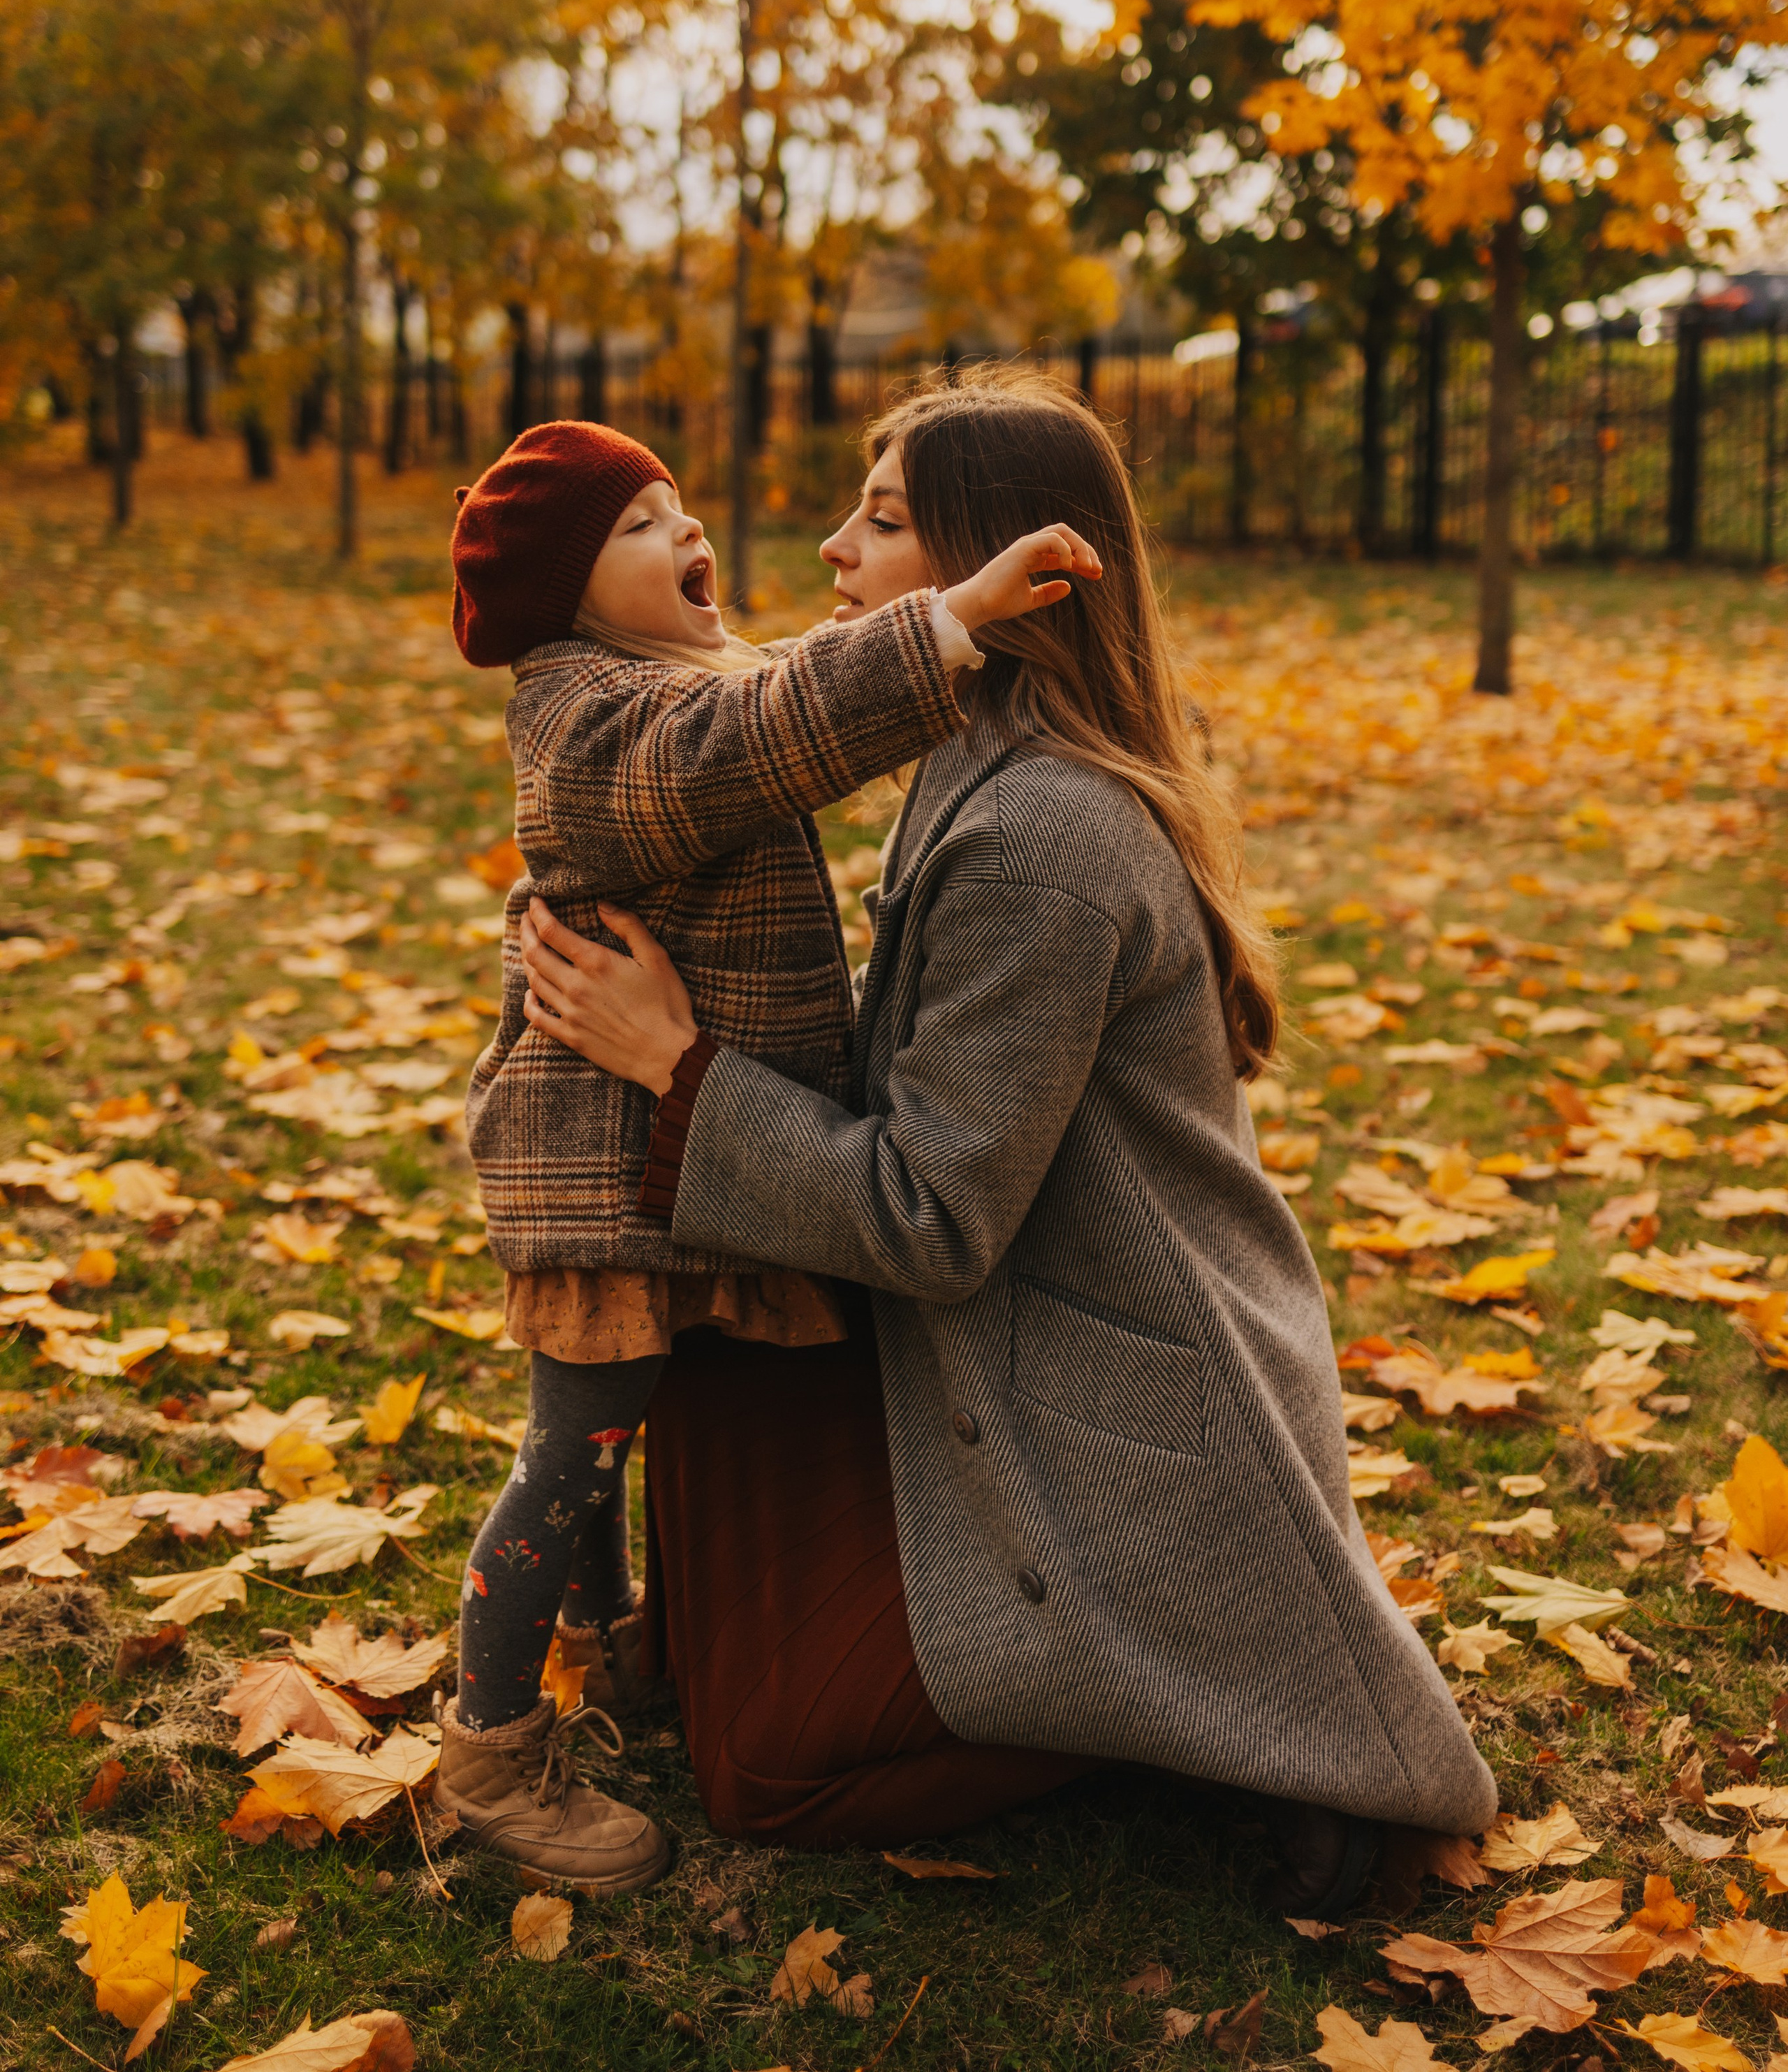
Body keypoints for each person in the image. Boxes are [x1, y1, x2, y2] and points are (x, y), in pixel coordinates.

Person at [515, 370, 1498, 1920]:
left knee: (766, 1766)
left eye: (884, 519)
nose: (833, 551)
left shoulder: (1039, 833)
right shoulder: (976, 762)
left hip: (1101, 1408)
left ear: (1001, 563)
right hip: (1008, 1330)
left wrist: (675, 1062)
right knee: (708, 1377)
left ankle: (1188, 1724)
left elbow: (923, 1217)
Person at [433, 416, 1101, 1893]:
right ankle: (488, 1751)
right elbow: (746, 745)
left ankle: (609, 1655)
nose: (684, 533)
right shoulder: (586, 719)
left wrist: (911, 648)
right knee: (576, 1445)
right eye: (634, 525)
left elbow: (788, 696)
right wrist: (946, 621)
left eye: (678, 502)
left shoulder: (684, 679)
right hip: (603, 1164)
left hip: (668, 1144)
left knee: (624, 1428)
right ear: (559, 595)